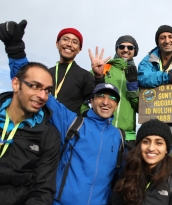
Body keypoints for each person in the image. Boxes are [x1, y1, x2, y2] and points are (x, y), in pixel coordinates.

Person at [1, 21, 125, 204]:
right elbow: (30, 80)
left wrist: (99, 77)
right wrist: (16, 51)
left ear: (116, 105)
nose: (106, 102)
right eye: (100, 97)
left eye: (112, 99)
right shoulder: (74, 123)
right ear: (90, 100)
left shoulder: (119, 137)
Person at [0, 19, 95, 115]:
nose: (69, 44)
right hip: (40, 123)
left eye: (74, 42)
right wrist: (15, 51)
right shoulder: (47, 73)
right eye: (65, 39)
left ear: (79, 49)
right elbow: (24, 79)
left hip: (67, 127)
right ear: (57, 44)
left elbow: (100, 99)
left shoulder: (85, 76)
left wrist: (99, 77)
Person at [0, 62, 60, 204]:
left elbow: (43, 191)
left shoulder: (49, 135)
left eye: (47, 90)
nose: (42, 96)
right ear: (16, 84)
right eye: (35, 86)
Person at [112, 119, 172, 205]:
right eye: (146, 142)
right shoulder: (127, 173)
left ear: (166, 149)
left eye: (158, 143)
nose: (151, 148)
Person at [81, 35, 139, 146]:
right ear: (117, 49)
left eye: (130, 48)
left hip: (127, 136)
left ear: (134, 51)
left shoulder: (137, 75)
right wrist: (86, 114)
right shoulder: (102, 68)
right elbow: (83, 97)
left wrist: (133, 87)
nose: (125, 50)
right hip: (99, 131)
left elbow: (139, 108)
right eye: (121, 46)